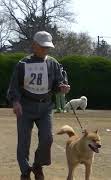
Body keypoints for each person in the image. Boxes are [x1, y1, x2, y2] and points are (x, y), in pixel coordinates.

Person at [7, 31, 70, 180]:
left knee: (47, 138)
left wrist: (62, 88)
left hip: (45, 107)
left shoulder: (53, 63)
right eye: (42, 47)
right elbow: (13, 87)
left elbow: (59, 83)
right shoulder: (22, 64)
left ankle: (37, 165)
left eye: (47, 47)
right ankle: (25, 171)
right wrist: (15, 102)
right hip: (25, 107)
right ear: (34, 46)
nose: (45, 50)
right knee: (23, 142)